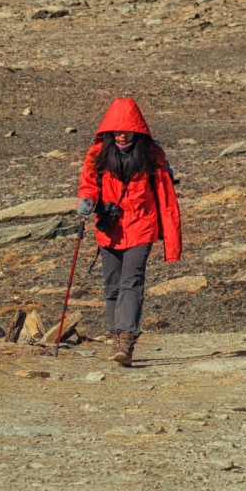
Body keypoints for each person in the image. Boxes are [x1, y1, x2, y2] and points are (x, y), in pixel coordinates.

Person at [78, 97, 183, 366]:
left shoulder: (151, 156)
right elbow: (89, 183)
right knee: (112, 286)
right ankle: (116, 337)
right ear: (109, 131)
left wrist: (171, 242)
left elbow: (166, 198)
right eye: (118, 131)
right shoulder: (97, 154)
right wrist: (86, 200)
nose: (122, 136)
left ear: (138, 130)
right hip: (109, 230)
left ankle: (126, 339)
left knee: (131, 283)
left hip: (141, 227)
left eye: (127, 131)